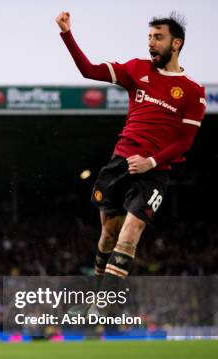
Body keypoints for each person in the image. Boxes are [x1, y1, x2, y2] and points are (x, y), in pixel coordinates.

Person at [55, 11, 206, 295]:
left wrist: (150, 162)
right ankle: (97, 293)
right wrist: (66, 34)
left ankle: (105, 304)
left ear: (176, 44)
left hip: (154, 173)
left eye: (158, 37)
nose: (151, 43)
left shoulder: (192, 92)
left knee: (130, 232)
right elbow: (88, 69)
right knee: (108, 235)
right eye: (149, 37)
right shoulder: (137, 69)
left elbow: (184, 143)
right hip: (119, 164)